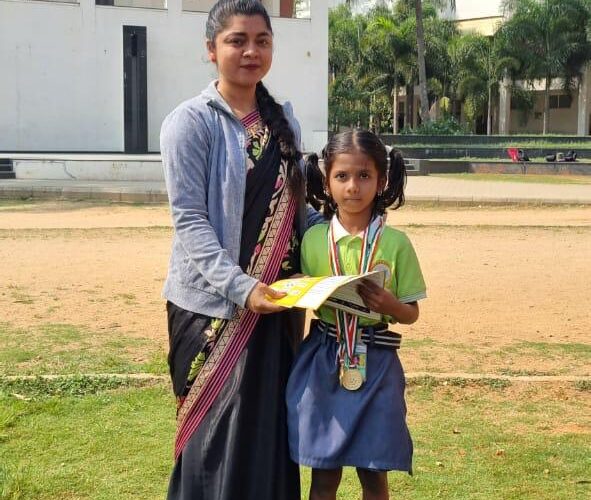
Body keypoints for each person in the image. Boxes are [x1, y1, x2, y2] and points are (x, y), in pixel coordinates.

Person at [160, 1, 320, 498]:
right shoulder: (190, 122)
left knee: (268, 431)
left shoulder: (284, 121)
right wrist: (243, 288)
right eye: (237, 40)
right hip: (213, 309)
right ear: (211, 49)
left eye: (262, 41)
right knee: (211, 439)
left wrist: (349, 242)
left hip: (278, 305)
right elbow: (190, 220)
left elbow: (297, 210)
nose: (251, 51)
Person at [286, 130, 427, 500]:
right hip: (323, 360)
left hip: (377, 361)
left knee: (374, 472)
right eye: (342, 176)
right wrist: (302, 288)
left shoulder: (396, 244)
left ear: (381, 181)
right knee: (323, 474)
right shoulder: (313, 241)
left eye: (364, 175)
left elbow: (411, 313)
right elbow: (305, 295)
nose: (353, 186)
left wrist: (390, 306)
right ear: (326, 182)